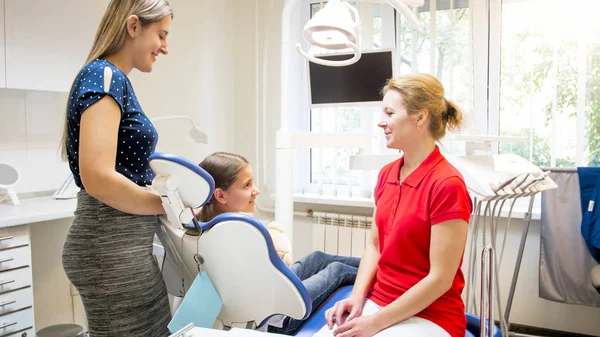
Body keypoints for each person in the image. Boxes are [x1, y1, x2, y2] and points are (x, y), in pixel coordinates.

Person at [322, 73, 473, 337]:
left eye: (390, 113)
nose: (381, 122)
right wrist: (357, 298)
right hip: (379, 302)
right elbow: (375, 246)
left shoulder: (447, 184)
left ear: (420, 117)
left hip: (430, 315)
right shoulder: (387, 174)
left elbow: (440, 279)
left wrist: (376, 323)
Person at [60, 1, 173, 336]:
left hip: (122, 245)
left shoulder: (114, 80)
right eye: (161, 35)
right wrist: (164, 204)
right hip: (109, 247)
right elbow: (98, 178)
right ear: (134, 26)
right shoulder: (104, 75)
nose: (165, 48)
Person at [197, 152, 361, 335]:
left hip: (268, 297)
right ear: (220, 195)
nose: (256, 190)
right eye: (247, 185)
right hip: (275, 318)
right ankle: (392, 278)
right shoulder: (239, 235)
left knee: (317, 258)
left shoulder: (205, 225)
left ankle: (386, 264)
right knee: (337, 270)